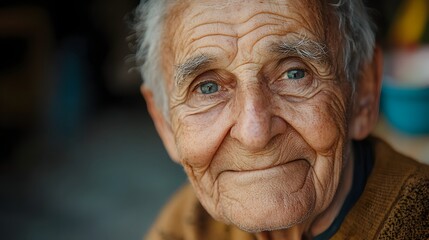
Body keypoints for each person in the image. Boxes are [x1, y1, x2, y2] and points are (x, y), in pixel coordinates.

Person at [132, 0, 429, 239]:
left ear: (363, 92)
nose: (255, 133)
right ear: (165, 124)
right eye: (208, 88)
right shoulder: (185, 225)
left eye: (295, 73)